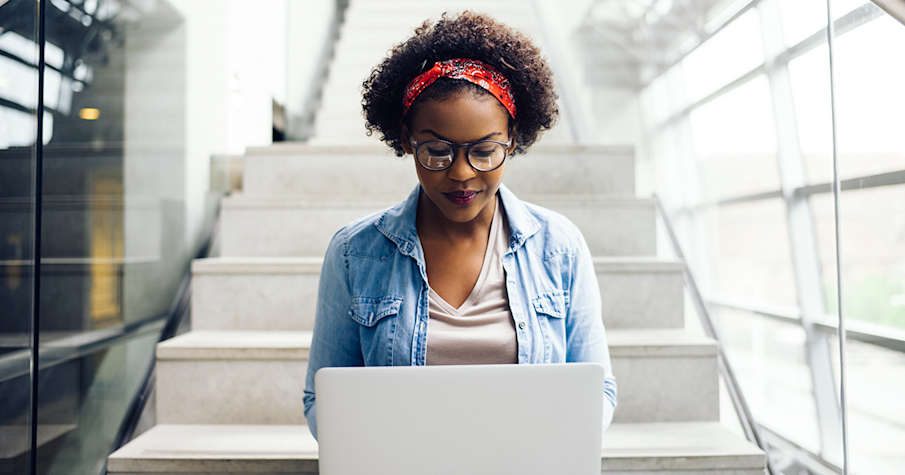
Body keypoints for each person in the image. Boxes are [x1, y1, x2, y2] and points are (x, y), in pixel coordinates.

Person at [303, 11, 616, 440]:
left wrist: (552, 449)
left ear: (512, 139)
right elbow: (322, 398)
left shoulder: (559, 247)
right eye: (437, 150)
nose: (462, 174)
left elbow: (598, 389)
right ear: (407, 139)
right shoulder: (354, 253)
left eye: (485, 151)